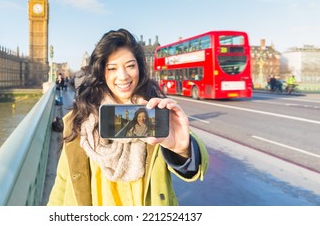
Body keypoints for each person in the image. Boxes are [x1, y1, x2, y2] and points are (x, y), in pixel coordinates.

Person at [47, 28, 209, 206]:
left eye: (130, 66)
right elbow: (62, 183)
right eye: (112, 68)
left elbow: (194, 166)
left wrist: (182, 149)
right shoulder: (80, 119)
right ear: (101, 72)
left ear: (140, 67)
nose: (123, 76)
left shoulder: (155, 111)